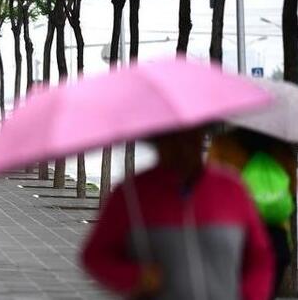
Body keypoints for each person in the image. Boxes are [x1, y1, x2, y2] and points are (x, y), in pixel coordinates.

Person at [81, 127, 274, 300]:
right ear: (158, 142)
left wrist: (252, 295)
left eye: (192, 137)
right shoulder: (131, 195)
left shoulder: (231, 189)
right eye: (173, 140)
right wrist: (134, 277)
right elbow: (96, 255)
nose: (183, 148)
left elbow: (260, 257)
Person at [209, 128, 295, 298]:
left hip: (232, 235)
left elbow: (210, 186)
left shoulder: (223, 144)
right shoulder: (281, 148)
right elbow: (291, 189)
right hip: (275, 238)